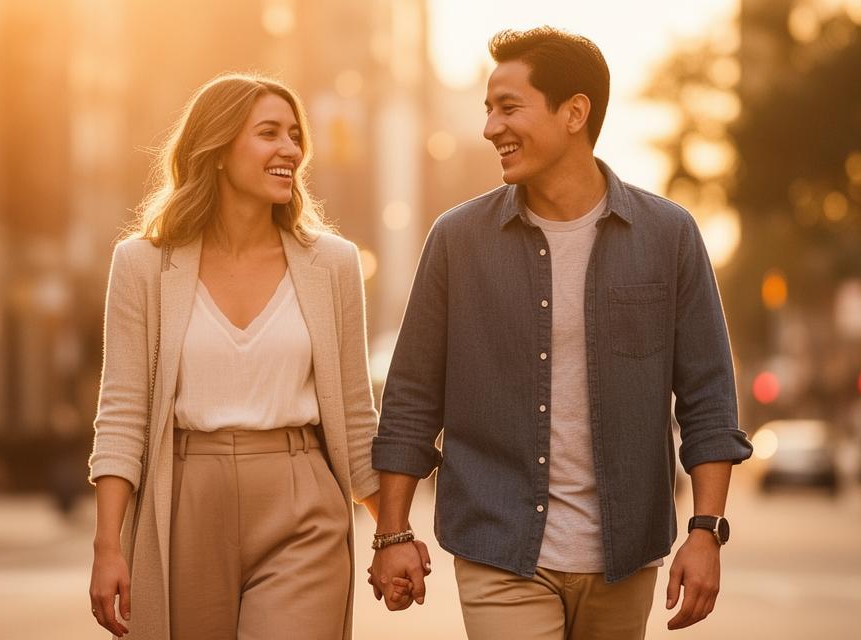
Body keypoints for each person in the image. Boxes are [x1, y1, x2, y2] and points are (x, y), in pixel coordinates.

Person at [367, 27, 753, 639]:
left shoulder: (668, 236)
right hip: (498, 544)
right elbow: (411, 397)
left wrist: (706, 532)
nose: (491, 127)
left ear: (575, 112)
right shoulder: (457, 241)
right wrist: (391, 533)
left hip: (624, 555)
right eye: (488, 109)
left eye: (509, 107)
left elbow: (708, 398)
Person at [84, 72, 426, 639]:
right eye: (269, 133)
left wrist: (391, 535)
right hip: (185, 504)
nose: (290, 149)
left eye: (295, 136)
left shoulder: (333, 264)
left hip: (302, 502)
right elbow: (121, 414)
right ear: (217, 149)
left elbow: (355, 413)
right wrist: (108, 546)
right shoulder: (143, 265)